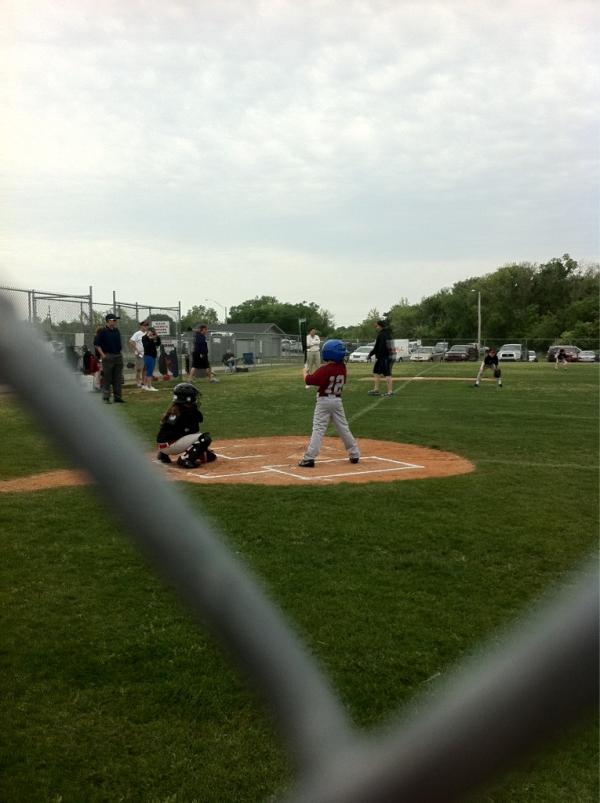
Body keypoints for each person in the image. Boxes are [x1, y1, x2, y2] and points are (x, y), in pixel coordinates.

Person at [298, 339, 360, 468]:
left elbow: (309, 381)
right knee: (343, 428)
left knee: (318, 429)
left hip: (323, 401)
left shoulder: (325, 369)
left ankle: (309, 458)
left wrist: (304, 373)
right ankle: (354, 454)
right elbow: (323, 379)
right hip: (337, 401)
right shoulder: (343, 368)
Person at [155, 382, 217, 468]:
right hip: (171, 445)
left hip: (163, 446)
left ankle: (163, 455)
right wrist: (202, 448)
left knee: (210, 457)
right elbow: (195, 431)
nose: (195, 398)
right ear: (187, 398)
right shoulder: (189, 412)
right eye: (193, 396)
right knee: (205, 438)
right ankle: (185, 459)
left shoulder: (174, 409)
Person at [94, 314, 125, 403]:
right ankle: (106, 397)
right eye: (114, 320)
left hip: (118, 356)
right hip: (108, 356)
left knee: (118, 378)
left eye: (116, 320)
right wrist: (103, 355)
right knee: (107, 377)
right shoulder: (102, 331)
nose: (115, 321)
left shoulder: (116, 330)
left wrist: (120, 353)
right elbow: (97, 344)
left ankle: (117, 397)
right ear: (108, 321)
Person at [367, 320, 394, 397]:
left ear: (380, 326)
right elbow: (377, 347)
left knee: (387, 374)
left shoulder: (383, 334)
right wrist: (371, 354)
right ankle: (376, 389)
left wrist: (371, 354)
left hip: (385, 357)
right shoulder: (385, 333)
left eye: (377, 326)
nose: (376, 327)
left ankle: (390, 392)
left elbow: (379, 347)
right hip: (382, 357)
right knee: (376, 372)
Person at [128, 320, 149, 388]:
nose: (146, 327)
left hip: (146, 354)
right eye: (144, 325)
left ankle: (143, 382)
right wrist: (136, 350)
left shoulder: (147, 333)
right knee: (139, 369)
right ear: (141, 326)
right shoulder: (137, 333)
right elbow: (131, 341)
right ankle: (138, 382)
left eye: (147, 325)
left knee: (145, 369)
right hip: (139, 354)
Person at [141, 326, 161, 391]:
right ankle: (149, 386)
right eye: (151, 332)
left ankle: (146, 385)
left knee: (150, 370)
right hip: (148, 356)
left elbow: (158, 344)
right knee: (149, 371)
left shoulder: (153, 337)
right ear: (148, 331)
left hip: (153, 355)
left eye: (153, 332)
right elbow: (146, 346)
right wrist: (151, 338)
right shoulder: (144, 338)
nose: (152, 333)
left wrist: (157, 337)